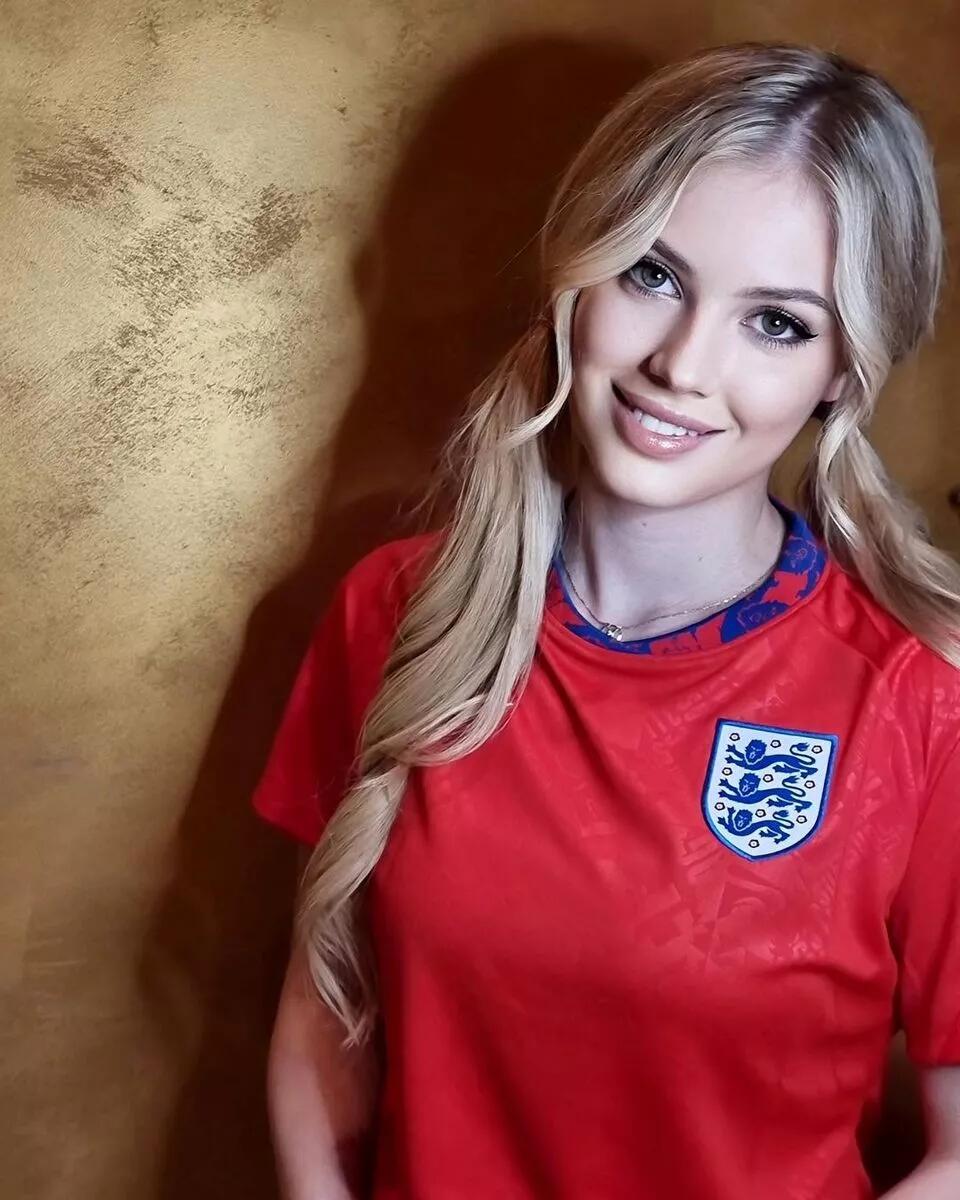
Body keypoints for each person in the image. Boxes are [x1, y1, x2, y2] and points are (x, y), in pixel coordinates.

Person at [252, 40, 960, 1200]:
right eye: (653, 275)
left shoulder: (925, 699)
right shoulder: (395, 611)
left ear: (846, 369)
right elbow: (322, 1019)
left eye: (777, 324)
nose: (683, 365)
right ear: (575, 275)